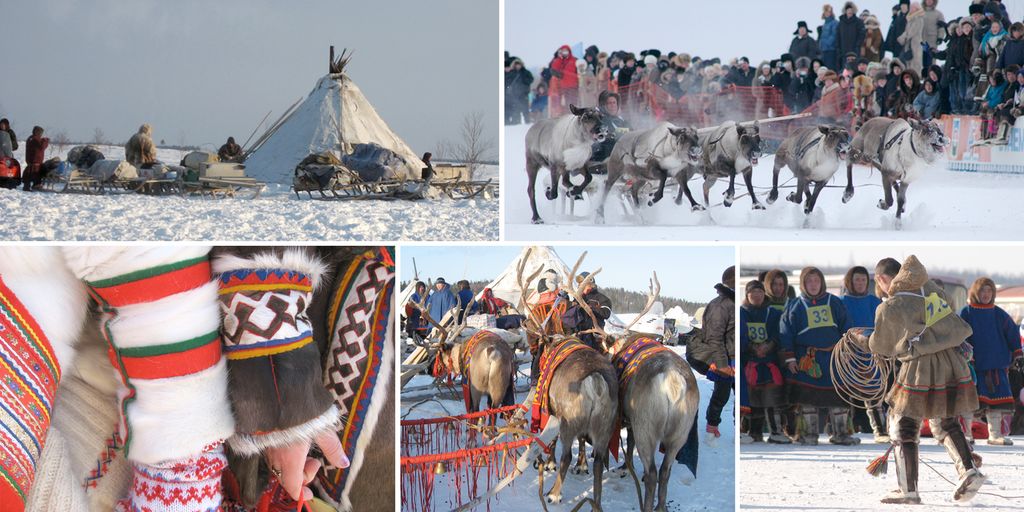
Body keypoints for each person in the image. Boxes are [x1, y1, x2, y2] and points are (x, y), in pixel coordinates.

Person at [849, 256, 983, 504]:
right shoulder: (934, 291)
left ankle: (908, 489)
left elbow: (882, 347)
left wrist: (861, 339)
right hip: (951, 362)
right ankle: (968, 470)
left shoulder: (891, 306)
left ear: (881, 279)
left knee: (904, 427)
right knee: (945, 421)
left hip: (919, 368)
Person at [779, 267, 855, 445]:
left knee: (839, 399)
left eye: (816, 281)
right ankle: (808, 435)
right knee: (807, 400)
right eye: (809, 281)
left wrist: (848, 352)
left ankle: (841, 434)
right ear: (803, 284)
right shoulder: (795, 305)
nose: (813, 285)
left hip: (833, 359)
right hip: (807, 359)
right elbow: (785, 333)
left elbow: (847, 328)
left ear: (822, 283)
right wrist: (790, 358)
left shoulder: (834, 302)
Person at [959, 277, 1023, 445]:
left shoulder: (998, 313)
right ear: (975, 292)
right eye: (982, 291)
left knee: (996, 403)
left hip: (996, 367)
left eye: (989, 291)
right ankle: (966, 435)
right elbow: (959, 335)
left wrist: (1018, 354)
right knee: (969, 401)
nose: (986, 294)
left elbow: (1012, 334)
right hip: (973, 366)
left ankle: (994, 435)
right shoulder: (967, 312)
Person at [840, 266, 888, 443]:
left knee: (874, 392)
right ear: (850, 282)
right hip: (848, 353)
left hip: (871, 353)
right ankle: (842, 430)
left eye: (863, 280)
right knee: (844, 393)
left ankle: (881, 430)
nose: (860, 283)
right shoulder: (841, 302)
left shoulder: (874, 302)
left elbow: (883, 326)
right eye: (856, 280)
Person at [740, 280, 790, 444]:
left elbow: (779, 333)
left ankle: (776, 431)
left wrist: (769, 345)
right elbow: (741, 335)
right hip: (749, 361)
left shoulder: (773, 313)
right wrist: (752, 347)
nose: (756, 295)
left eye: (760, 292)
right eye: (753, 292)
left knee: (772, 397)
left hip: (769, 361)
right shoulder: (742, 312)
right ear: (747, 295)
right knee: (751, 399)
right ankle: (751, 432)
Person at [689, 266, 736, 439]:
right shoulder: (721, 305)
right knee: (721, 396)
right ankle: (712, 428)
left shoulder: (734, 302)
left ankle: (738, 430)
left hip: (735, 357)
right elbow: (714, 338)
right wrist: (723, 366)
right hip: (724, 359)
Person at [572, 271, 611, 351]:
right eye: (579, 284)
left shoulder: (602, 298)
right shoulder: (578, 299)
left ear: (590, 284)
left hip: (596, 338)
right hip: (579, 337)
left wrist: (589, 308)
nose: (580, 286)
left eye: (582, 284)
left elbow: (606, 313)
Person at [548, 45, 579, 117]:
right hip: (562, 87)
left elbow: (580, 71)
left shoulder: (575, 60)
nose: (565, 52)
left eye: (566, 50)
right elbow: (553, 69)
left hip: (574, 86)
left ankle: (573, 115)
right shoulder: (558, 61)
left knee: (573, 102)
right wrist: (559, 59)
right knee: (564, 104)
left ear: (569, 51)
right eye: (563, 51)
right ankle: (566, 116)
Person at [898, 2, 926, 74]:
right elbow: (907, 30)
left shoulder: (918, 18)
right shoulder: (910, 18)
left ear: (917, 8)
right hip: (909, 44)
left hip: (915, 44)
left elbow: (912, 31)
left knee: (915, 63)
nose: (911, 9)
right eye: (911, 7)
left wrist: (903, 37)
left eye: (913, 7)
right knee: (908, 63)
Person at [837, 2, 867, 67]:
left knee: (854, 66)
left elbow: (862, 34)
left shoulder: (858, 22)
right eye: (848, 10)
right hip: (843, 50)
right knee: (844, 67)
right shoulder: (841, 22)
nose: (849, 12)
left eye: (851, 10)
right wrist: (838, 48)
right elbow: (838, 36)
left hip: (854, 49)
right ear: (845, 11)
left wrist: (857, 45)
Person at [505, 57, 533, 125]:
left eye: (519, 64)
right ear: (514, 65)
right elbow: (507, 81)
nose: (518, 66)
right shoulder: (512, 73)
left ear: (521, 64)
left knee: (525, 110)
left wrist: (524, 80)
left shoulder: (526, 72)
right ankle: (517, 124)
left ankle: (527, 123)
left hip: (524, 94)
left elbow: (531, 79)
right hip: (514, 95)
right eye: (516, 64)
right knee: (516, 110)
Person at [23, 126, 49, 192]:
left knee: (31, 174)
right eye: (40, 133)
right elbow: (42, 146)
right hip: (35, 161)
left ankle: (32, 185)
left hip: (32, 161)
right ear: (37, 132)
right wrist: (46, 140)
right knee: (34, 173)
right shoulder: (35, 139)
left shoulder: (30, 138)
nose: (41, 134)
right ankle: (33, 185)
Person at [820, 4, 840, 72]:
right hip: (824, 50)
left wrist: (827, 43)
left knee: (830, 68)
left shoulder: (834, 22)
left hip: (831, 49)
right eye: (825, 12)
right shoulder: (825, 24)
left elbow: (834, 35)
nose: (827, 13)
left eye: (828, 12)